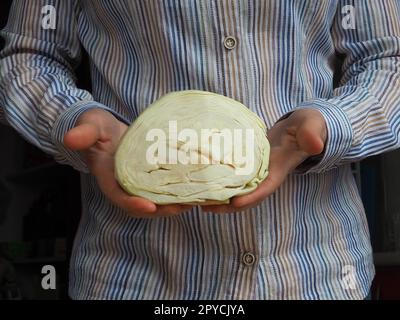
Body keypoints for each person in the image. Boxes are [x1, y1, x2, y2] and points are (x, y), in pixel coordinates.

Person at [1, 0, 399, 300]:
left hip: (321, 276)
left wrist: (334, 124)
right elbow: (29, 57)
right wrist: (71, 119)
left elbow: (388, 59)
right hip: (134, 279)